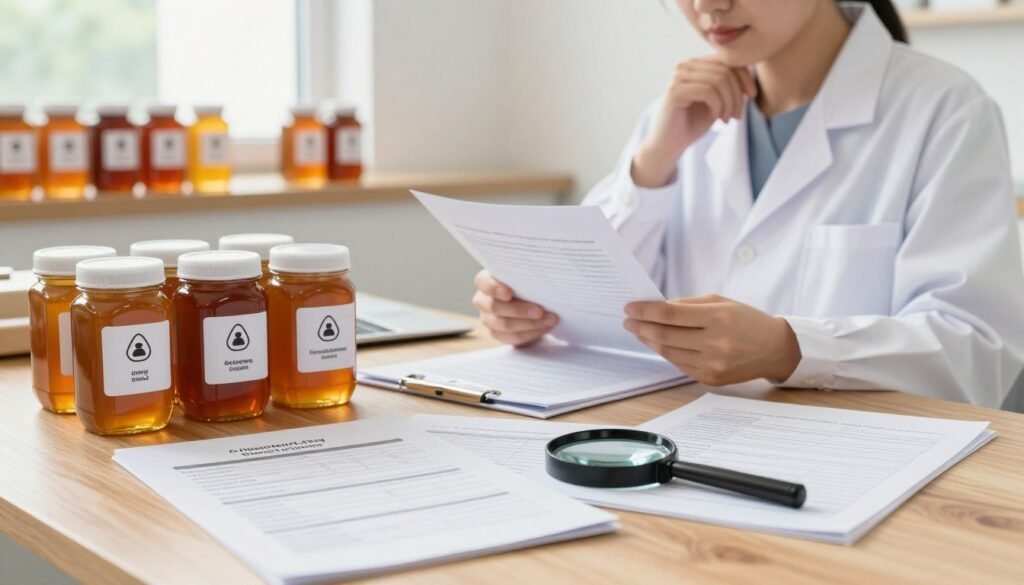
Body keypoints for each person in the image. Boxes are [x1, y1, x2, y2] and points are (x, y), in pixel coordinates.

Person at [472, 0, 1024, 409]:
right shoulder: (674, 117)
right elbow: (611, 306)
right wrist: (532, 307)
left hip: (857, 463)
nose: (708, 5)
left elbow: (976, 350)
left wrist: (789, 348)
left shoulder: (945, 109)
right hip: (683, 443)